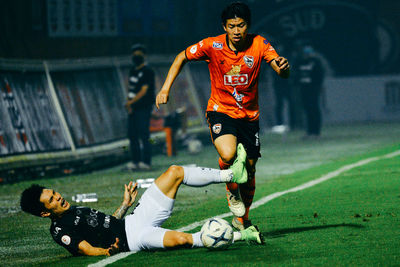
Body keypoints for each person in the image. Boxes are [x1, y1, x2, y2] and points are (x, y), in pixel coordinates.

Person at [155, 2, 290, 230]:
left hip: (249, 116)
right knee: (228, 154)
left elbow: (280, 69)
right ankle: (231, 189)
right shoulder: (212, 45)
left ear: (248, 25)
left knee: (250, 168)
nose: (237, 31)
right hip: (221, 111)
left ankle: (243, 219)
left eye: (241, 25)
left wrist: (283, 68)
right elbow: (181, 57)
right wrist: (165, 88)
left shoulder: (260, 44)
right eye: (232, 26)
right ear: (224, 27)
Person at [20, 144, 263, 256]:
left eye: (54, 192)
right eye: (51, 199)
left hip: (133, 220)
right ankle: (244, 235)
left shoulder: (73, 209)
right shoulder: (60, 229)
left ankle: (233, 174)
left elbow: (110, 223)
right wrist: (107, 252)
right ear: (44, 212)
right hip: (134, 239)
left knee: (174, 172)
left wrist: (125, 204)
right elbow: (84, 248)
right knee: (181, 239)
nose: (58, 196)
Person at [125, 44, 155, 170]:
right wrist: (129, 103)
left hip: (144, 107)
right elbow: (131, 89)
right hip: (133, 108)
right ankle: (135, 161)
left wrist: (130, 103)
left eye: (138, 54)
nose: (136, 57)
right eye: (134, 54)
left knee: (144, 134)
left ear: (144, 56)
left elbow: (144, 91)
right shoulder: (132, 70)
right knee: (132, 134)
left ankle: (146, 162)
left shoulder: (148, 71)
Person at [295, 45, 325, 138]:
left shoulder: (316, 62)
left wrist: (318, 86)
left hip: (313, 89)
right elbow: (296, 73)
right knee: (307, 110)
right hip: (304, 89)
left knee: (314, 109)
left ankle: (316, 132)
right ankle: (309, 131)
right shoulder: (300, 62)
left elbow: (320, 74)